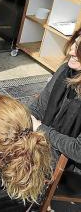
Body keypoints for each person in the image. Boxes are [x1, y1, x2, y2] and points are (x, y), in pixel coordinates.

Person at [31, 27, 81, 173]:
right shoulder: (65, 71)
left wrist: (41, 129)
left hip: (66, 165)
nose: (71, 52)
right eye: (74, 44)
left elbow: (78, 151)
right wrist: (22, 118)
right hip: (44, 143)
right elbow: (39, 106)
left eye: (78, 49)